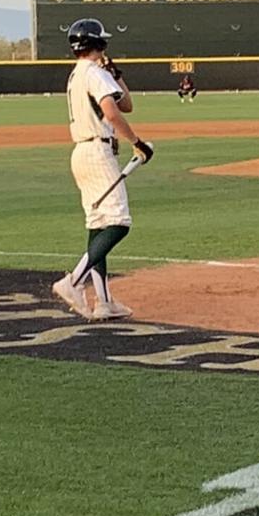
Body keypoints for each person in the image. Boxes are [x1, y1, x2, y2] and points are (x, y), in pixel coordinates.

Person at [52, 18, 154, 321]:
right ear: (99, 43)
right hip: (97, 151)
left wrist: (116, 75)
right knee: (119, 223)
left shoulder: (79, 74)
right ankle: (73, 282)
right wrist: (137, 142)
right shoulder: (94, 74)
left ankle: (104, 302)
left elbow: (126, 104)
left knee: (98, 225)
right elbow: (114, 112)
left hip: (82, 152)